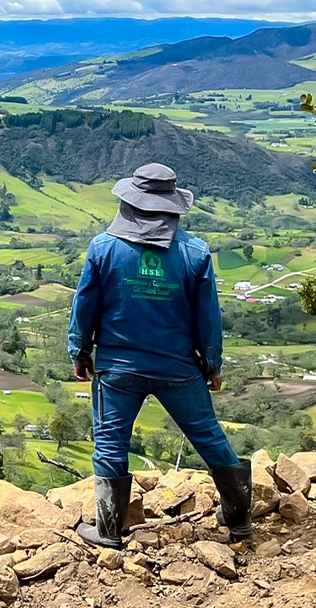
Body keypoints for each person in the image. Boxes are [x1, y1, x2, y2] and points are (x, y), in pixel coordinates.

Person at [67, 163, 251, 549]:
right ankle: (238, 519)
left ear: (130, 203)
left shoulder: (104, 248)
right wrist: (213, 366)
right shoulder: (196, 254)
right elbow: (208, 320)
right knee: (209, 437)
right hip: (179, 369)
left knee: (110, 443)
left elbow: (85, 307)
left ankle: (109, 531)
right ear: (172, 206)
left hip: (118, 370)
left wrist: (80, 351)